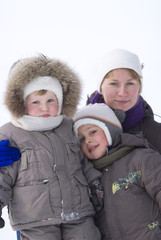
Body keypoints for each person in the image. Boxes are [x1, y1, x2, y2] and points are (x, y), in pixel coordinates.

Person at [0, 55, 101, 240]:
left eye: (50, 100)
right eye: (36, 102)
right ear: (21, 103)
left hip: (78, 214)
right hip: (35, 220)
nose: (44, 108)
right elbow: (2, 177)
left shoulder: (69, 126)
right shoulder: (10, 135)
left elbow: (84, 163)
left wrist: (96, 184)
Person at [73, 103, 161, 240]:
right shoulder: (91, 179)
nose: (88, 140)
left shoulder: (140, 159)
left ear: (110, 129)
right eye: (82, 139)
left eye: (92, 132)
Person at [87, 48, 161, 154]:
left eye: (130, 84)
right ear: (101, 88)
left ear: (139, 88)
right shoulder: (78, 130)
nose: (122, 92)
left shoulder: (156, 134)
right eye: (114, 84)